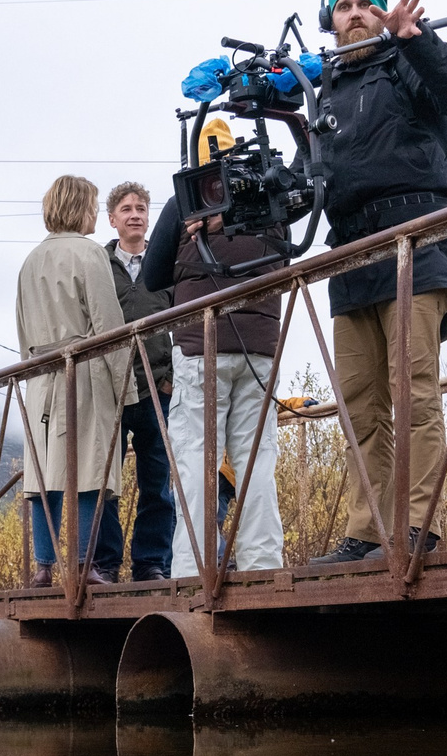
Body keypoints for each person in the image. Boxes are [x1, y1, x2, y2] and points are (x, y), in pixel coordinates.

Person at [307, 0, 447, 565]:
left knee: (412, 389)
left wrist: (415, 38)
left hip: (417, 238)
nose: (354, 13)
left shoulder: (407, 62)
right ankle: (366, 530)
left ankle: (416, 526)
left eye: (365, 4)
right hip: (351, 250)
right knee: (360, 400)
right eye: (343, 6)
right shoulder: (322, 90)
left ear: (382, 12)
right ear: (330, 22)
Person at [143, 120, 291, 579]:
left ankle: (193, 570)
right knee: (256, 461)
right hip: (260, 347)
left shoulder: (184, 201)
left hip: (199, 345)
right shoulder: (268, 194)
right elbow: (286, 255)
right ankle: (262, 566)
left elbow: (151, 276)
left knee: (195, 461)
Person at [15, 174, 136, 586]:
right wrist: (127, 388)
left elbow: (22, 330)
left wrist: (33, 371)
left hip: (39, 378)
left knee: (43, 472)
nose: (96, 217)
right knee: (89, 469)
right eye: (93, 207)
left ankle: (44, 568)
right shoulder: (89, 254)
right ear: (80, 208)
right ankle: (84, 567)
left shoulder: (30, 260)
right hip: (83, 373)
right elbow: (108, 325)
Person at [92, 181, 177, 582]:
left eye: (141, 207)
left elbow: (185, 318)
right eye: (126, 208)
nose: (135, 214)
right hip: (111, 391)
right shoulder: (97, 266)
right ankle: (105, 565)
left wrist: (172, 379)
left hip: (157, 387)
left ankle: (150, 564)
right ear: (112, 219)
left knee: (157, 483)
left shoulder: (166, 261)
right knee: (105, 483)